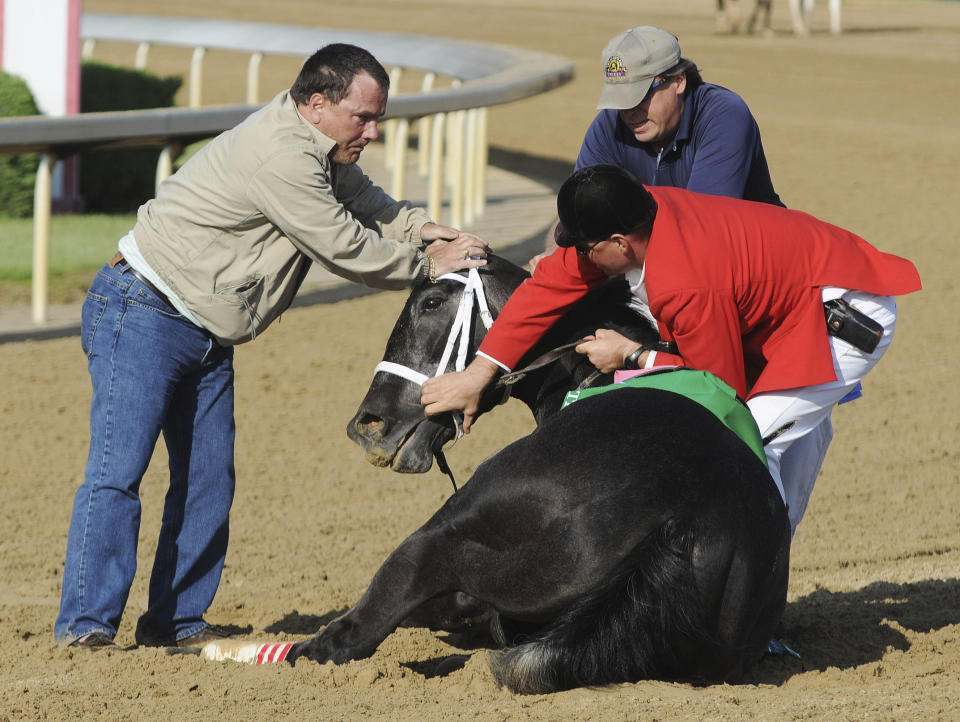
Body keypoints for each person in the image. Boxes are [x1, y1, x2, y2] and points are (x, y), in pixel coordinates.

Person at [55, 43, 490, 651]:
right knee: (118, 472)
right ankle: (86, 629)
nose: (372, 131)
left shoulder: (322, 146)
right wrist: (426, 262)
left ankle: (175, 625)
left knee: (209, 479)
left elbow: (367, 203)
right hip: (142, 309)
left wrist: (423, 227)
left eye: (378, 118)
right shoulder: (282, 155)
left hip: (204, 326)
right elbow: (342, 245)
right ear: (317, 105)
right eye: (363, 117)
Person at [421, 164, 921, 535]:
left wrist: (632, 356)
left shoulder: (686, 283)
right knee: (768, 442)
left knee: (738, 444)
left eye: (586, 247)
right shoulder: (641, 213)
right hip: (794, 304)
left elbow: (720, 390)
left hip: (841, 314)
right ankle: (761, 592)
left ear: (619, 243)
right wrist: (477, 376)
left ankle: (750, 598)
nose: (577, 256)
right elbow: (544, 290)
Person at [535, 25, 782, 267]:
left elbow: (699, 227)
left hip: (761, 268)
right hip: (672, 265)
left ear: (678, 81)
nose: (630, 113)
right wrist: (553, 256)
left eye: (640, 97)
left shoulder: (724, 115)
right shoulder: (609, 125)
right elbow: (578, 214)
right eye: (621, 101)